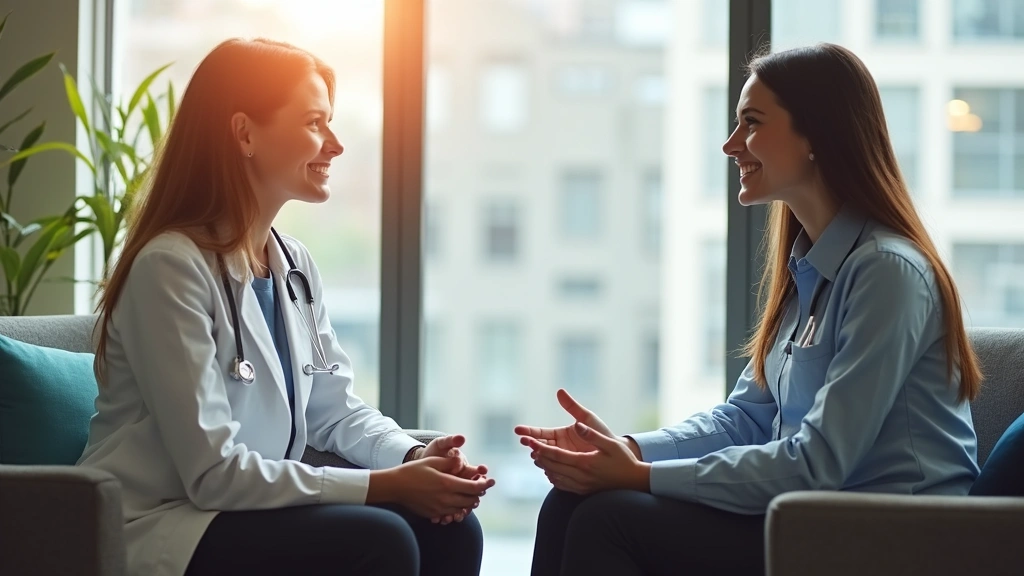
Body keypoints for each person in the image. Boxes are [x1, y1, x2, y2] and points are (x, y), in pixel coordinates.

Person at [516, 42, 982, 576]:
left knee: (609, 518)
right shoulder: (809, 267)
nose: (730, 144)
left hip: (889, 538)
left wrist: (638, 478)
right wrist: (625, 450)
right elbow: (745, 420)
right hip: (811, 517)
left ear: (817, 136)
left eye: (751, 123)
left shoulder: (887, 272)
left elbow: (818, 463)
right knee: (570, 502)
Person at [77, 38, 494, 576]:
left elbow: (333, 410)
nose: (336, 144)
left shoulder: (292, 265)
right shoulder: (170, 268)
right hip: (162, 522)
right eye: (315, 123)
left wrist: (414, 459)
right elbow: (212, 473)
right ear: (245, 132)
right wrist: (387, 487)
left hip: (245, 510)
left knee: (453, 531)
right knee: (381, 536)